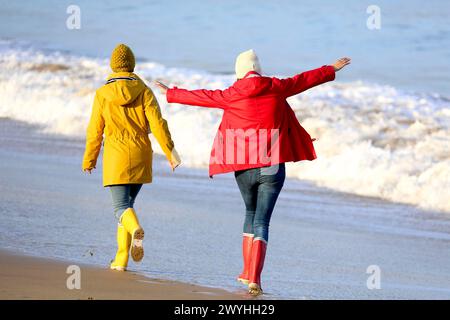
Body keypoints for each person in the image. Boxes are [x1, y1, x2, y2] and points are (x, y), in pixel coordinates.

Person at [155, 50, 350, 295]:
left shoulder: (231, 94)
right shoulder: (276, 86)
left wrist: (171, 93)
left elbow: (202, 96)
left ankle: (248, 271)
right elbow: (304, 80)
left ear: (239, 71)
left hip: (244, 166)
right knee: (262, 220)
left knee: (250, 212)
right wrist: (331, 68)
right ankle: (254, 277)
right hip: (272, 165)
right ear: (258, 69)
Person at [82, 44, 181, 271]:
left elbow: (94, 130)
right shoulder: (144, 90)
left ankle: (135, 229)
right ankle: (121, 260)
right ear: (132, 65)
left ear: (113, 66)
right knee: (127, 205)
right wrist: (171, 153)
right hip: (140, 154)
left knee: (120, 208)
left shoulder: (102, 94)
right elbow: (158, 124)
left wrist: (90, 158)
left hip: (116, 156)